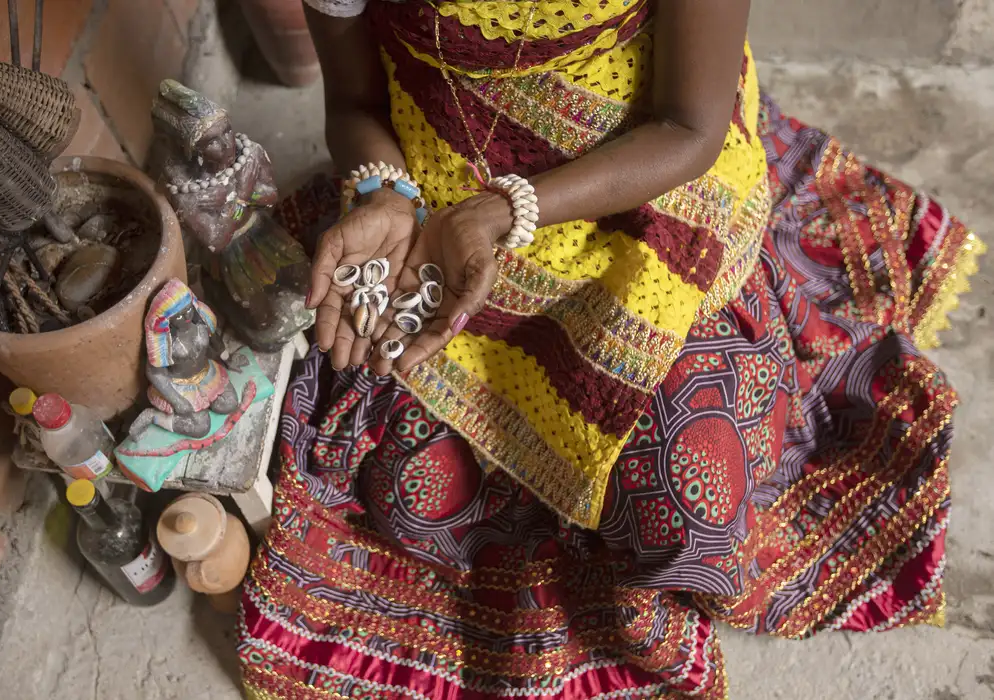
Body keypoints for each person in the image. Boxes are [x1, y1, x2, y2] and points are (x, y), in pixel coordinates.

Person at [238, 1, 986, 698]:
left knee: (693, 505)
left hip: (641, 204)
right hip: (443, 213)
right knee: (411, 488)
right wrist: (384, 193)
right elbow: (358, 105)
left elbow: (688, 128)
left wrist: (506, 211)